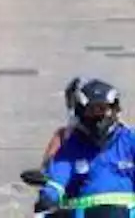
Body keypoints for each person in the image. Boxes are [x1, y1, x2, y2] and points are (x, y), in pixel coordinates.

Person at [37, 79, 136, 214]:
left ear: (114, 110)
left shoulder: (130, 139)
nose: (98, 116)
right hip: (82, 213)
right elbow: (60, 173)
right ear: (81, 112)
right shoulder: (73, 144)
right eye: (91, 110)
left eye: (102, 109)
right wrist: (49, 194)